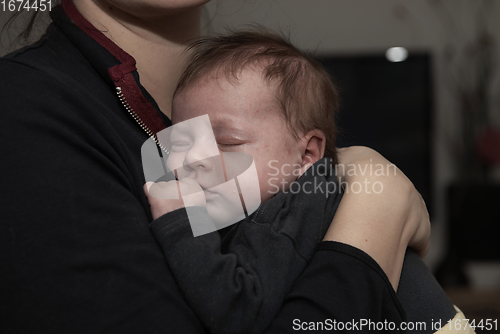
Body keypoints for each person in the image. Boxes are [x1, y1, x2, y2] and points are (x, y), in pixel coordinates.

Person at [0, 0, 459, 333]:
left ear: (307, 152)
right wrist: (372, 222)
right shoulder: (27, 113)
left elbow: (238, 305)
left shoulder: (281, 203)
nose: (198, 163)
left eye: (229, 141)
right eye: (192, 140)